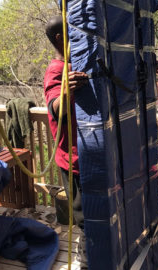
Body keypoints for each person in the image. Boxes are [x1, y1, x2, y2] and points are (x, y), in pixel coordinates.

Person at [44, 16, 89, 268]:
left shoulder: (79, 63)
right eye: (74, 31)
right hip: (72, 159)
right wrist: (66, 91)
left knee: (98, 211)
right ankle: (85, 258)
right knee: (83, 215)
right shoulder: (56, 70)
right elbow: (54, 108)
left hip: (91, 155)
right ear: (61, 38)